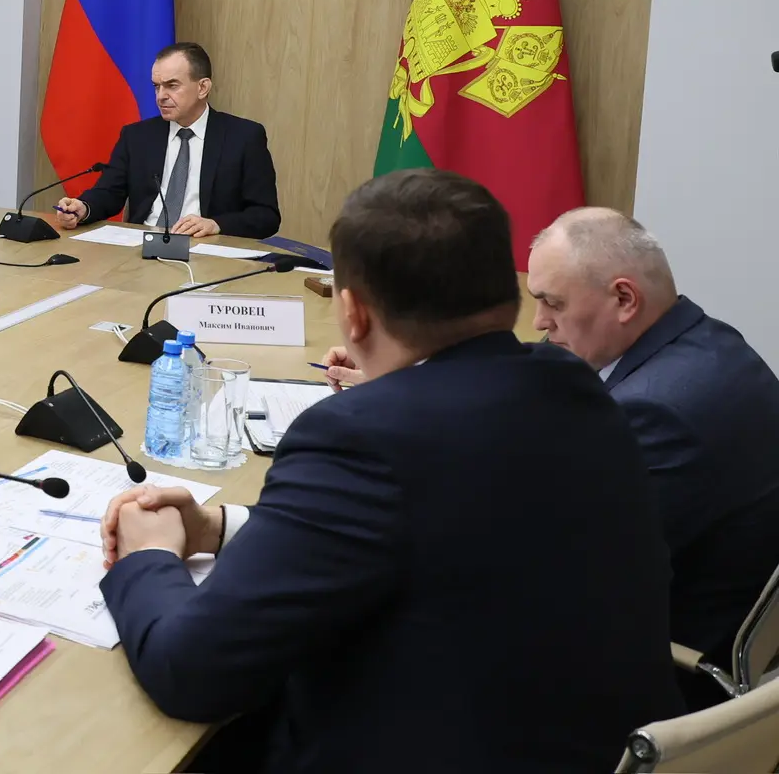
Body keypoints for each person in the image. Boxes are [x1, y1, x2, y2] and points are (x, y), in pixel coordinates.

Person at [96, 169, 680, 773]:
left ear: (353, 313)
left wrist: (149, 554)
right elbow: (425, 529)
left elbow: (192, 673)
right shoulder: (575, 387)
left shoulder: (359, 436)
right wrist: (220, 527)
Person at [529, 207, 779, 688]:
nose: (541, 321)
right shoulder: (713, 342)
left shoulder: (652, 414)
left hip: (661, 677)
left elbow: (562, 575)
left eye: (553, 304)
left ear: (624, 299)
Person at [55, 42, 279, 239]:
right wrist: (83, 208)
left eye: (172, 85)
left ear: (202, 88)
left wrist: (216, 224)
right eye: (156, 86)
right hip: (142, 245)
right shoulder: (137, 136)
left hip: (205, 248)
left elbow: (266, 216)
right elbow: (109, 193)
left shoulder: (243, 137)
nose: (161, 96)